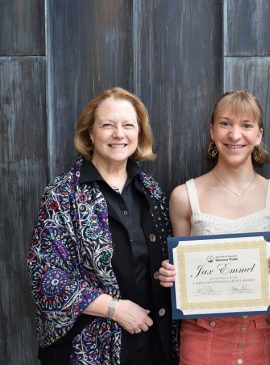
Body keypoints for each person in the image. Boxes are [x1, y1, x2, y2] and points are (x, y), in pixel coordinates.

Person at [26, 87, 179, 365]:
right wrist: (115, 309)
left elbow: (162, 263)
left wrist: (171, 273)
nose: (119, 134)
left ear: (139, 133)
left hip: (152, 344)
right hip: (87, 348)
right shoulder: (62, 195)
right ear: (90, 134)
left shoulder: (152, 192)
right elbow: (45, 280)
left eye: (128, 125)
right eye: (107, 125)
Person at [158, 90, 270, 365]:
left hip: (259, 338)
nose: (235, 134)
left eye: (246, 125)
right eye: (225, 123)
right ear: (212, 131)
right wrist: (170, 275)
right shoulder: (184, 196)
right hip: (202, 338)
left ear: (259, 134)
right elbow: (181, 277)